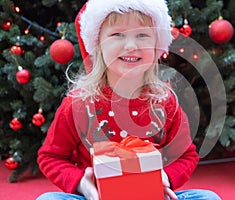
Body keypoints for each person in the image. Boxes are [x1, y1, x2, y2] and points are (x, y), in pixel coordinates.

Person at [36, 0, 221, 199]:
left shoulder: (165, 102)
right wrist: (82, 183)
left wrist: (165, 177)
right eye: (117, 35)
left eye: (142, 35)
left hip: (151, 195)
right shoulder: (78, 103)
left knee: (208, 197)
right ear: (98, 44)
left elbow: (186, 155)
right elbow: (51, 157)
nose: (131, 45)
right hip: (97, 196)